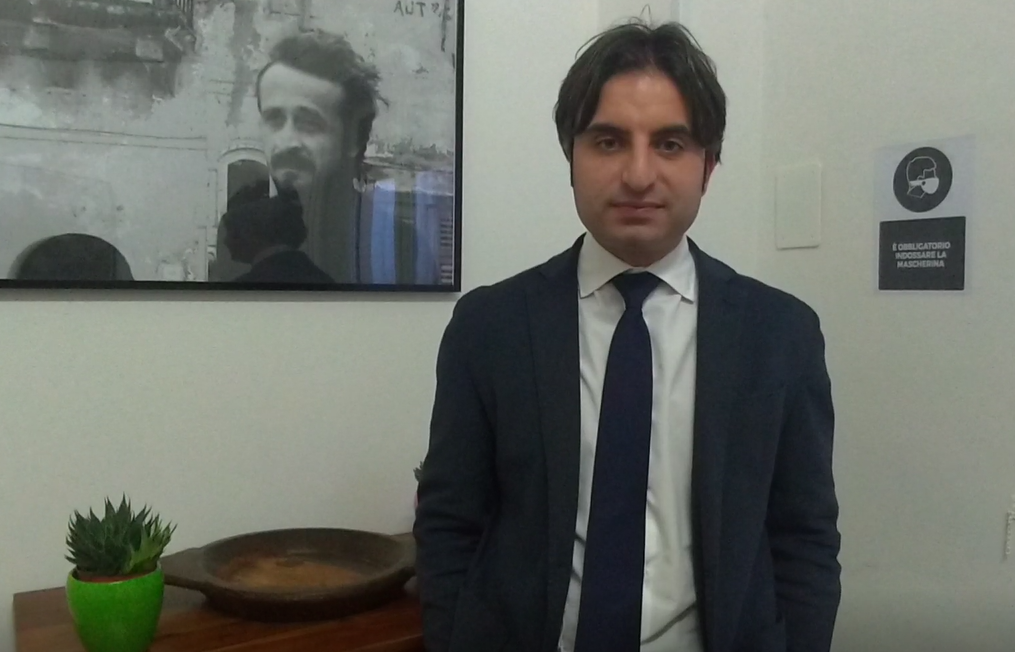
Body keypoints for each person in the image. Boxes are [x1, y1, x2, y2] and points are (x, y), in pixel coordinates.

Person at [413, 20, 841, 652]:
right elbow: (450, 521)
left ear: (708, 166)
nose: (639, 175)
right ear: (572, 156)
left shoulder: (781, 334)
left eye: (670, 144)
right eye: (609, 141)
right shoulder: (489, 327)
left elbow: (804, 537)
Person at [254, 29, 383, 283]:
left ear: (353, 139)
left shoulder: (393, 242)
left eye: (309, 123)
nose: (287, 142)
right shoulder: (244, 235)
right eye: (274, 119)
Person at [220, 192, 333, 284]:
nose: (226, 241)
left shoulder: (243, 290)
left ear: (251, 233)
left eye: (232, 232)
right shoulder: (323, 281)